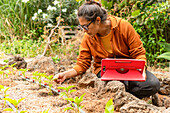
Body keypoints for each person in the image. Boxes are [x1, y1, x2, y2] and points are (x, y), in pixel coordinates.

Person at [53, 0, 160, 99]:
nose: (84, 31)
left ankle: (123, 97)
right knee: (116, 83)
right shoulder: (88, 37)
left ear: (98, 20)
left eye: (85, 27)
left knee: (153, 84)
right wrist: (65, 75)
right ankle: (123, 96)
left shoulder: (123, 26)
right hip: (105, 72)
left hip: (129, 69)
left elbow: (139, 53)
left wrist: (142, 70)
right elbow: (82, 63)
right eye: (82, 27)